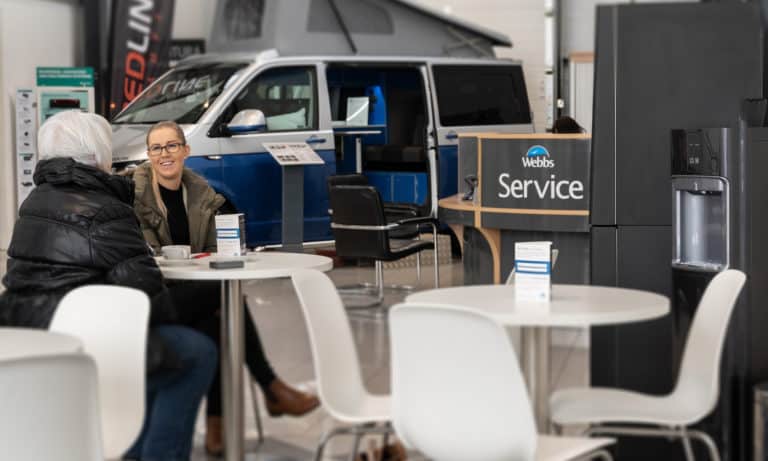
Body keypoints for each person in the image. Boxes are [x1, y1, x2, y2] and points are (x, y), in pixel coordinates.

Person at [0, 110, 217, 461]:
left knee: (172, 341)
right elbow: (148, 300)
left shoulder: (34, 203)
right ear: (100, 156)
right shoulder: (106, 209)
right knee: (196, 352)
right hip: (86, 344)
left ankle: (133, 448)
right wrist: (205, 297)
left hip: (35, 336)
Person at [132, 120, 320, 455]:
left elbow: (215, 248)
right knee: (220, 301)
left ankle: (223, 424)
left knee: (217, 320)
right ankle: (269, 387)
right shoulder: (135, 196)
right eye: (157, 148)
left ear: (186, 151)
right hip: (157, 295)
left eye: (172, 146)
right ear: (148, 155)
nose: (165, 154)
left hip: (192, 291)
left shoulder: (201, 192)